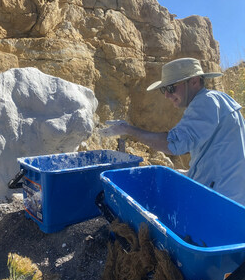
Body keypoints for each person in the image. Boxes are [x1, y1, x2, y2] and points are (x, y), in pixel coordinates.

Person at [100, 57, 245, 205]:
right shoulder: (219, 99)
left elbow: (174, 144)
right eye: (164, 89)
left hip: (222, 201)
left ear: (194, 81)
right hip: (233, 198)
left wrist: (127, 129)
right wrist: (190, 173)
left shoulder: (205, 102)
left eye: (171, 88)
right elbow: (218, 152)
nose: (166, 95)